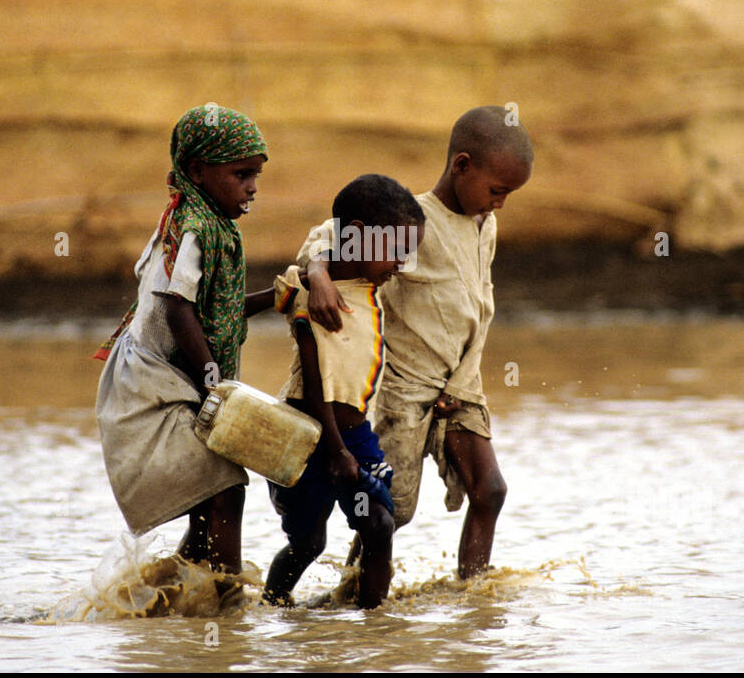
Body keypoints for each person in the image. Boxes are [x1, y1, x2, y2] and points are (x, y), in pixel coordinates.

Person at [298, 106, 532, 579]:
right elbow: (328, 235)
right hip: (404, 392)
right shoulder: (410, 221)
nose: (499, 203)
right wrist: (319, 272)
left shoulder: (485, 224)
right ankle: (356, 596)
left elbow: (479, 311)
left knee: (490, 491)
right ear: (461, 165)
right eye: (496, 191)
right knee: (391, 512)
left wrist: (461, 385)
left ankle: (473, 601)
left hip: (460, 385)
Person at [94, 104, 273, 577]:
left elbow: (216, 309)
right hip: (153, 382)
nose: (252, 187)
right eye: (241, 174)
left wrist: (278, 297)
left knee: (212, 492)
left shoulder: (214, 225)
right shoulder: (195, 229)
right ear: (197, 170)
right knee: (223, 485)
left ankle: (174, 595)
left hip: (176, 376)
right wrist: (214, 381)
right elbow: (178, 309)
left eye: (256, 175)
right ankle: (225, 598)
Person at [263, 174, 426, 609]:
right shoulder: (318, 298)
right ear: (355, 239)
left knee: (378, 525)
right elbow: (315, 380)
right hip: (310, 438)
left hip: (354, 437)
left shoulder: (366, 289)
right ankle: (271, 605)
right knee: (309, 542)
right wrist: (336, 452)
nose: (401, 264)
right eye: (396, 252)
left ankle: (375, 625)